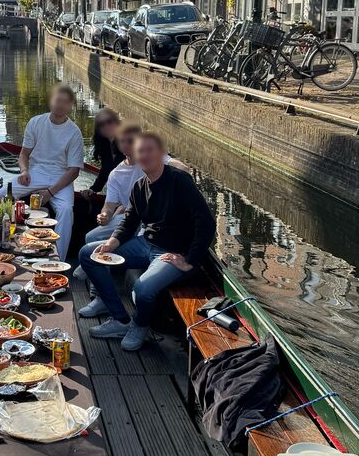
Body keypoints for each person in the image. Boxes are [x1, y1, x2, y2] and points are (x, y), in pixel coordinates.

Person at [79, 131, 215, 352]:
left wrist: (190, 261)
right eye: (140, 151)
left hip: (173, 252)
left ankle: (139, 326)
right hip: (145, 244)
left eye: (150, 150)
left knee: (142, 289)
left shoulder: (180, 181)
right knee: (88, 253)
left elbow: (206, 222)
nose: (144, 155)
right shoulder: (140, 186)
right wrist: (113, 242)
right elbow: (129, 222)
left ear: (162, 154)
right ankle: (120, 319)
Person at [75, 124, 187, 309]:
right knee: (92, 237)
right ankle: (99, 294)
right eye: (122, 141)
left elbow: (180, 168)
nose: (126, 145)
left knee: (102, 244)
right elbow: (110, 205)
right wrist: (105, 214)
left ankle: (91, 272)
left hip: (150, 223)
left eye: (131, 141)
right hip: (131, 217)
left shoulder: (150, 161)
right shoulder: (116, 173)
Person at [15, 84, 84, 258]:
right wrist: (24, 171)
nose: (61, 105)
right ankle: (4, 244)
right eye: (58, 100)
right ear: (51, 101)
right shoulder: (36, 122)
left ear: (71, 106)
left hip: (61, 177)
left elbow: (74, 171)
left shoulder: (74, 133)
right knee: (2, 193)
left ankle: (59, 258)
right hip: (36, 172)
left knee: (66, 210)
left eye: (66, 102)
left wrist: (50, 193)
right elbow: (24, 154)